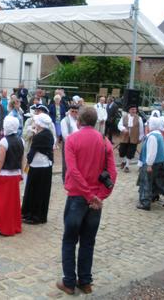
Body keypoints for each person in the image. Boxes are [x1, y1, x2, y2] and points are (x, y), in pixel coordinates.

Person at [56, 107, 117, 295]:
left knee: (69, 240)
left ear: (79, 121)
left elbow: (73, 171)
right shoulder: (104, 140)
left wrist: (90, 195)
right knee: (88, 241)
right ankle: (85, 281)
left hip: (77, 197)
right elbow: (112, 172)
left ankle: (69, 282)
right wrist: (100, 195)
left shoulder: (72, 140)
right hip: (95, 199)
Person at [22, 113, 54, 225]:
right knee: (40, 191)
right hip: (44, 165)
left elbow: (32, 152)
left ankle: (34, 215)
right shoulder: (47, 133)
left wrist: (27, 161)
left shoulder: (40, 136)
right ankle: (35, 214)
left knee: (35, 191)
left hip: (39, 166)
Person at [118, 105, 144, 173]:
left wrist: (141, 137)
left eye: (135, 109)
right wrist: (123, 129)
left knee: (130, 152)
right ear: (129, 110)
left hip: (134, 137)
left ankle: (127, 166)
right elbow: (119, 125)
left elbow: (141, 128)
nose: (134, 111)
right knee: (121, 151)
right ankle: (123, 161)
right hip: (124, 137)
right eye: (132, 109)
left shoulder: (139, 118)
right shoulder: (124, 117)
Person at [60, 105, 79, 182]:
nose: (74, 113)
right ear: (69, 111)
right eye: (72, 111)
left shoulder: (79, 120)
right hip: (68, 144)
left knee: (76, 161)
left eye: (76, 112)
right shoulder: (65, 120)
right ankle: (65, 179)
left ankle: (74, 178)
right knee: (66, 162)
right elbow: (65, 135)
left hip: (78, 144)